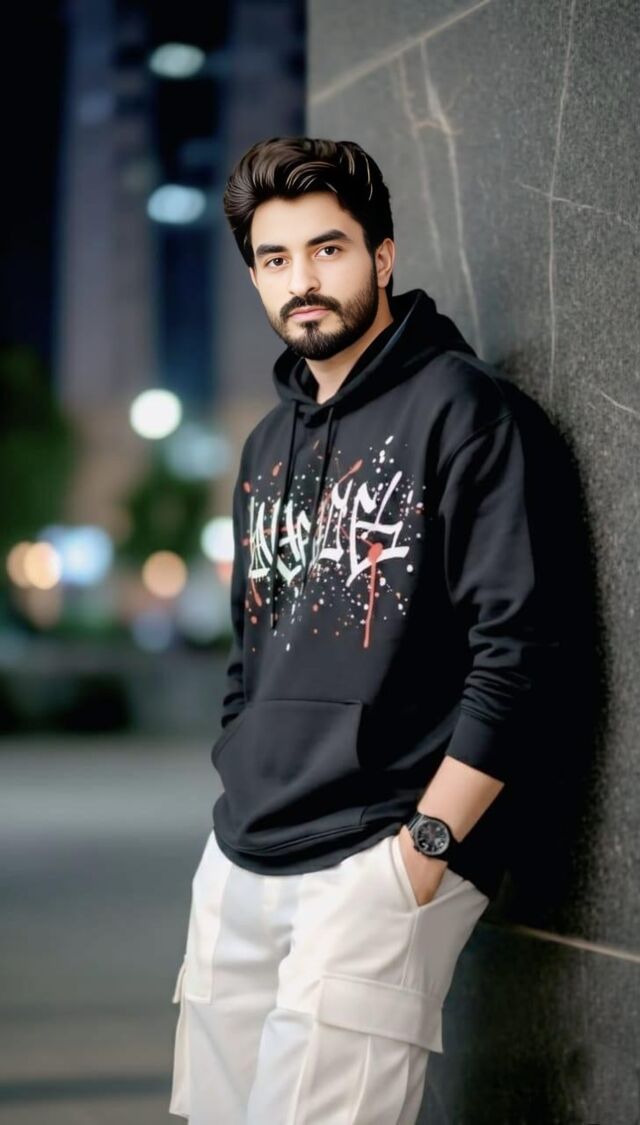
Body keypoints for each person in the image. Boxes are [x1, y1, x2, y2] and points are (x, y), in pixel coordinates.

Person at [169, 136, 562, 1124]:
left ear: (382, 256)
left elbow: (517, 649)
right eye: (274, 258)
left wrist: (423, 850)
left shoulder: (464, 411)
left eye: (328, 248)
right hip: (241, 856)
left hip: (376, 859)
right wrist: (238, 779)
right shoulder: (267, 444)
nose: (301, 280)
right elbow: (249, 651)